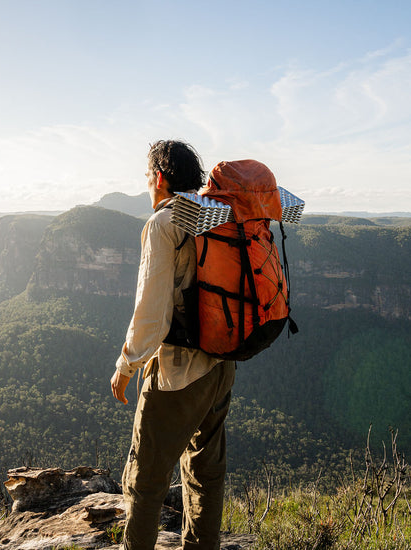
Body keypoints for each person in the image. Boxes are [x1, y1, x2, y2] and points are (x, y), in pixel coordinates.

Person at [110, 140, 236, 550]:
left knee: (145, 482)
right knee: (206, 473)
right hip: (223, 362)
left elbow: (151, 311)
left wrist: (126, 365)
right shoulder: (219, 213)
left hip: (180, 372)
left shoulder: (164, 224)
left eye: (147, 177)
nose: (147, 185)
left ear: (160, 178)